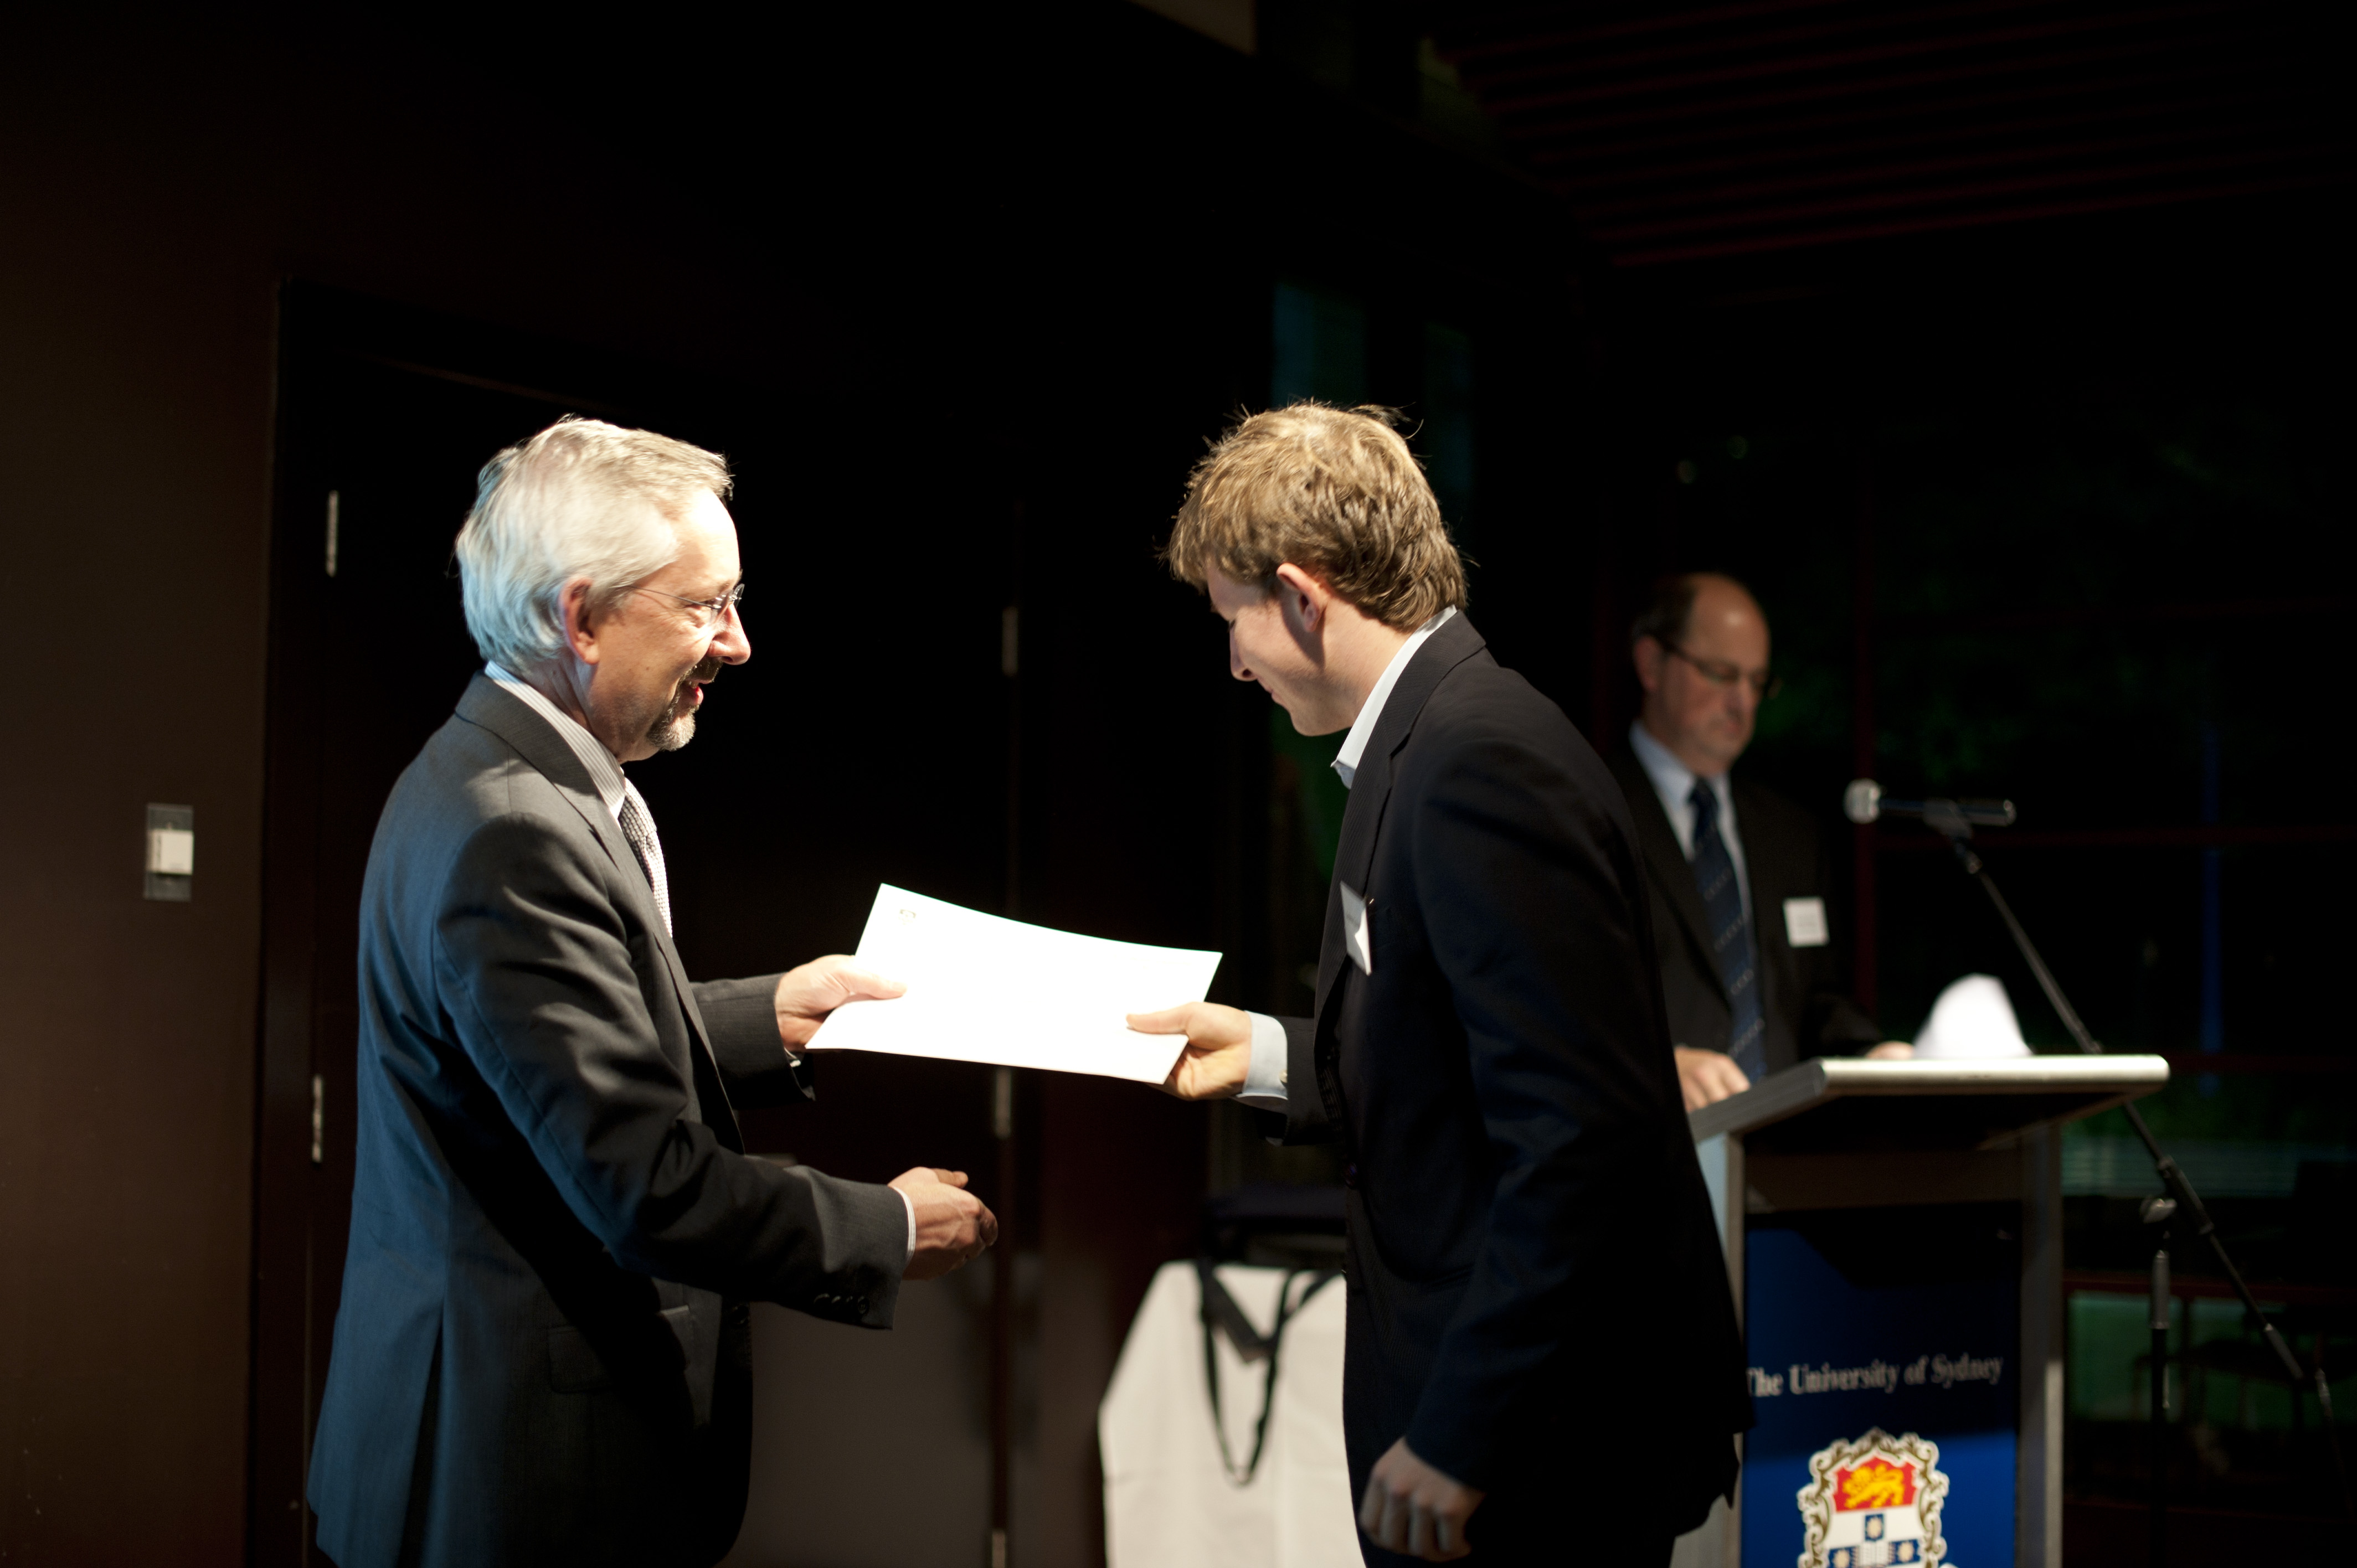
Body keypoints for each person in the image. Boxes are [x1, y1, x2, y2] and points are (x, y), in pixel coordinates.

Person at [307, 418, 997, 1567]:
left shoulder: (500, 771)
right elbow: (642, 1184)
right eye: (704, 606)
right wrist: (882, 1227)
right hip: (508, 1471)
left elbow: (528, 1054)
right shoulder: (514, 828)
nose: (738, 642)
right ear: (579, 618)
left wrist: (769, 1017)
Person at [1130, 405, 1747, 1566]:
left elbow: (1577, 1141)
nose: (1234, 664)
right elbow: (1449, 1053)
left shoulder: (1479, 760)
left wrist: (1466, 1433)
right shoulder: (1426, 738)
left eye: (1232, 621)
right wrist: (1271, 1055)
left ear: (1301, 597)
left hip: (1544, 1444)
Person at [1605, 573, 1907, 1113]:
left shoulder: (1792, 835)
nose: (1742, 701)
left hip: (1781, 1146)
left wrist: (1869, 1055)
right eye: (1721, 674)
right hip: (1649, 1138)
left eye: (1757, 682)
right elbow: (1551, 1001)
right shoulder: (1583, 808)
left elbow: (1818, 1002)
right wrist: (1658, 1063)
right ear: (1651, 663)